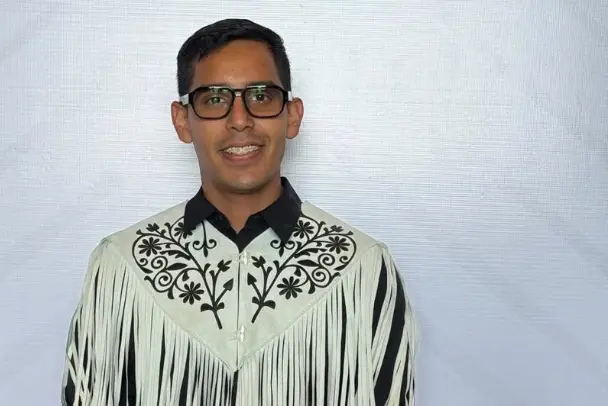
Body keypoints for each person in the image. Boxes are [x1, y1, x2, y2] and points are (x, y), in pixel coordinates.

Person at [61, 18, 418, 406]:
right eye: (214, 99)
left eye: (261, 96)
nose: (240, 120)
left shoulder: (361, 269)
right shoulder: (122, 268)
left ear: (292, 116)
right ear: (182, 121)